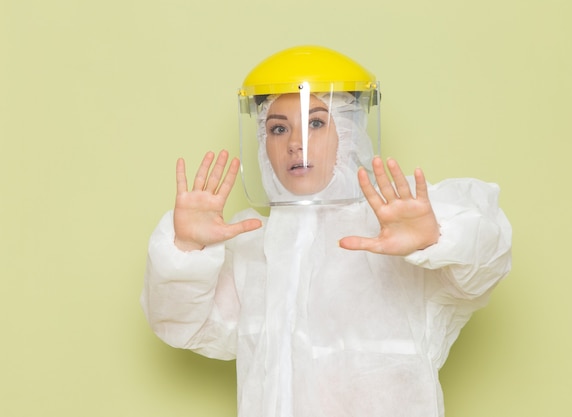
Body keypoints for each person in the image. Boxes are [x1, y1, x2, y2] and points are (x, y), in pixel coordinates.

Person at [141, 45, 512, 417]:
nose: (295, 144)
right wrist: (187, 249)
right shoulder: (252, 247)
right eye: (278, 128)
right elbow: (183, 325)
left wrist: (436, 239)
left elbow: (484, 265)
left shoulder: (393, 234)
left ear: (350, 132)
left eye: (316, 123)